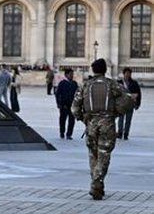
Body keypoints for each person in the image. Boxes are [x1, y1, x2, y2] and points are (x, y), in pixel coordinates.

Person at [71, 59, 125, 200]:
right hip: (107, 123)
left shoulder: (85, 85)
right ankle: (96, 183)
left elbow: (74, 108)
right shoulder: (112, 85)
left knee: (93, 155)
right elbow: (128, 100)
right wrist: (116, 113)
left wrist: (84, 119)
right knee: (104, 155)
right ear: (105, 70)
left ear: (93, 70)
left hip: (91, 124)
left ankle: (97, 186)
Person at [116, 67, 141, 140]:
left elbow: (138, 94)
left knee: (128, 120)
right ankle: (120, 133)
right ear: (123, 74)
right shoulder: (119, 82)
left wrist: (138, 104)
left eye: (129, 73)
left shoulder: (134, 83)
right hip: (121, 105)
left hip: (130, 104)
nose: (127, 75)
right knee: (120, 119)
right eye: (126, 73)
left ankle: (126, 134)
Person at [55, 68, 78, 140]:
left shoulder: (74, 83)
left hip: (72, 105)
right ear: (66, 75)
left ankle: (69, 134)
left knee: (72, 120)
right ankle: (62, 132)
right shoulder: (62, 83)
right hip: (64, 105)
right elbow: (58, 94)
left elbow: (77, 94)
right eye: (70, 74)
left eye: (72, 74)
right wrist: (59, 103)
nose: (72, 76)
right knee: (63, 120)